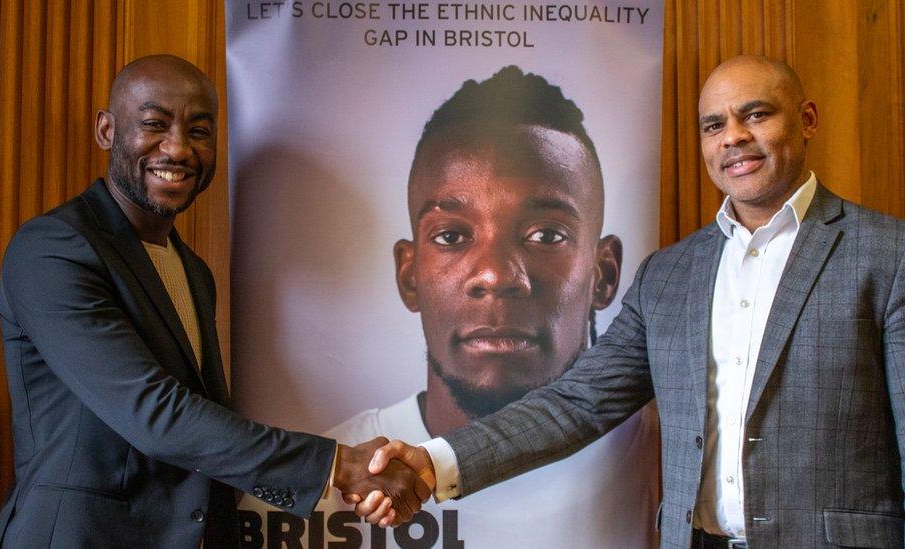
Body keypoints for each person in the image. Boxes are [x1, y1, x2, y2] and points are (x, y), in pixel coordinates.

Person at [360, 55, 905, 548]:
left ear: (806, 119)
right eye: (714, 124)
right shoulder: (670, 275)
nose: (734, 137)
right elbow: (575, 404)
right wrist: (433, 462)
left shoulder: (893, 256)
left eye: (756, 114)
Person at [0, 54, 427, 548]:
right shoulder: (53, 249)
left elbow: (201, 425)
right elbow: (156, 415)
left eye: (199, 131)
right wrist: (340, 466)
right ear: (106, 130)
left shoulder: (192, 271)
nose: (177, 149)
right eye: (154, 124)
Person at [240, 66, 661, 547]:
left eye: (546, 235)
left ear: (603, 275)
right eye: (452, 236)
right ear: (409, 274)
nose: (497, 276)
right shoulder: (314, 491)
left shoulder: (668, 454)